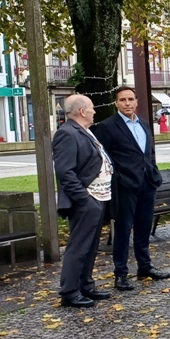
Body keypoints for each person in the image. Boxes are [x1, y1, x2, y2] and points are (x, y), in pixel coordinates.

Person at [93, 86, 170, 291]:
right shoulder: (108, 127)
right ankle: (121, 273)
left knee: (144, 227)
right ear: (116, 103)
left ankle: (144, 266)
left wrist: (153, 170)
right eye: (122, 100)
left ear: (136, 102)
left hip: (147, 183)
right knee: (123, 229)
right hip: (124, 186)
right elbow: (102, 157)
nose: (127, 103)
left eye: (130, 99)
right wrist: (116, 178)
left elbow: (149, 152)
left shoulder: (144, 125)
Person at [52, 94, 113, 308]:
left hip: (98, 196)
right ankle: (69, 291)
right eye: (92, 108)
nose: (95, 111)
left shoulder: (83, 131)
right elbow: (64, 171)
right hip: (86, 199)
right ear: (82, 111)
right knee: (79, 246)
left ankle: (86, 284)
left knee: (91, 246)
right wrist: (84, 198)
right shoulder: (67, 134)